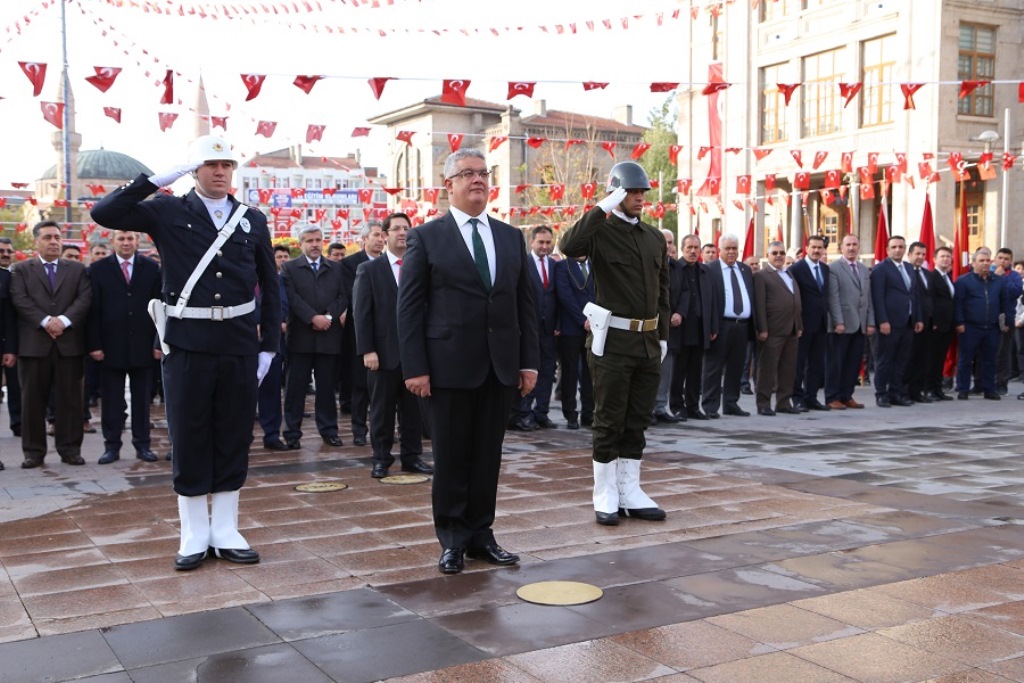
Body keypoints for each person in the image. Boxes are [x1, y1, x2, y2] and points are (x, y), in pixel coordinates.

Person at [91, 134, 281, 571]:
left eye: (226, 165)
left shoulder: (252, 219)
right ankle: (194, 532)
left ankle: (227, 528)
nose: (220, 172)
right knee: (190, 432)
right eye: (210, 164)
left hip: (237, 342)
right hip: (187, 341)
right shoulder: (167, 210)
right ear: (194, 170)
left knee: (234, 433)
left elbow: (270, 286)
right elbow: (105, 212)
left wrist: (268, 345)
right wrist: (159, 179)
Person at [398, 148, 538, 574]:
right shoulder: (426, 237)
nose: (478, 180)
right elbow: (409, 308)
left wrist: (529, 362)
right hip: (447, 367)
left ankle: (482, 534)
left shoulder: (511, 237)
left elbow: (526, 305)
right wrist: (415, 367)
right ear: (449, 185)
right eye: (467, 174)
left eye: (483, 173)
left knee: (487, 456)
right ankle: (453, 539)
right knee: (452, 456)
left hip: (499, 368)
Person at [559, 160, 669, 527]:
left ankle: (630, 490)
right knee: (608, 420)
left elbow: (663, 292)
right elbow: (568, 244)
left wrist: (663, 336)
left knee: (638, 419)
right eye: (631, 192)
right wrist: (602, 207)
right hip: (613, 342)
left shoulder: (654, 237)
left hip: (648, 342)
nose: (639, 198)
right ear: (617, 193)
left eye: (641, 192)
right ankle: (604, 494)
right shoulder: (601, 233)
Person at [353, 212, 432, 478]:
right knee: (381, 411)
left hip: (414, 356)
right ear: (384, 235)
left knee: (413, 412)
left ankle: (412, 457)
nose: (402, 233)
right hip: (382, 355)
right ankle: (381, 459)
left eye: (406, 228)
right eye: (396, 228)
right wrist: (367, 350)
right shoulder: (370, 269)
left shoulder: (421, 267)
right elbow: (361, 313)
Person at [10, 221, 92, 468]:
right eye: (47, 237)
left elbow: (84, 297)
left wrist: (64, 321)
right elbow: (20, 299)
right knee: (32, 401)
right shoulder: (21, 269)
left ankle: (70, 449)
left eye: (57, 237)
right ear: (36, 241)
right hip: (34, 346)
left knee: (71, 401)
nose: (54, 242)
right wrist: (46, 321)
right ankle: (33, 453)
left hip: (69, 345)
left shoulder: (77, 269)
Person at [85, 230, 162, 464]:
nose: (126, 243)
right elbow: (93, 311)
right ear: (113, 242)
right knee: (111, 401)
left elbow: (159, 307)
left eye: (130, 238)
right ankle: (112, 446)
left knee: (142, 401)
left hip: (143, 346)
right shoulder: (98, 270)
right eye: (121, 238)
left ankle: (143, 445)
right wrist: (95, 344)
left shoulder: (151, 268)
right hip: (110, 347)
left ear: (137, 241)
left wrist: (158, 343)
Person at [281, 225, 348, 449]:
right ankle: (292, 433)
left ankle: (329, 430)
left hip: (329, 336)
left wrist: (328, 316)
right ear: (301, 245)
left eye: (318, 240)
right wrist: (312, 318)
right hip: (300, 337)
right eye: (309, 240)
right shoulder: (290, 268)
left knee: (327, 388)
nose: (315, 244)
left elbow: (342, 297)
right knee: (295, 388)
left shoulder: (336, 269)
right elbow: (292, 298)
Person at [340, 221, 385, 445]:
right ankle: (359, 429)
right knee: (360, 384)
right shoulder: (350, 264)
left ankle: (384, 430)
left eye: (381, 235)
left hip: (387, 332)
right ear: (364, 239)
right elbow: (351, 295)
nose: (380, 239)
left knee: (385, 386)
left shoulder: (392, 263)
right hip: (360, 331)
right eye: (375, 235)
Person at [701, 234, 754, 419]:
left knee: (737, 366)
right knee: (713, 366)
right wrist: (709, 328)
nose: (731, 252)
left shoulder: (745, 269)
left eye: (734, 248)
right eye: (728, 248)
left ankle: (731, 403)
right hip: (720, 325)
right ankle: (710, 405)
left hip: (742, 326)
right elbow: (706, 301)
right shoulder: (710, 269)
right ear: (720, 250)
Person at [666, 234, 718, 419]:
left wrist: (713, 326)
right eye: (689, 248)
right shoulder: (674, 268)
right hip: (680, 326)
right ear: (682, 249)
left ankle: (693, 406)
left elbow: (712, 301)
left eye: (696, 248)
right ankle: (676, 405)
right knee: (678, 369)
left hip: (700, 326)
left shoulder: (705, 271)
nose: (693, 251)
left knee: (696, 370)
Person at [954, 247, 1014, 400]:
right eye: (981, 261)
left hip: (992, 327)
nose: (985, 264)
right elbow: (958, 304)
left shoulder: (999, 281)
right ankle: (963, 389)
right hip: (970, 327)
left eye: (988, 261)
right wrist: (959, 322)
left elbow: (1005, 302)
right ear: (973, 263)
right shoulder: (963, 281)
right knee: (966, 360)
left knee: (990, 360)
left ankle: (989, 389)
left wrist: (1007, 320)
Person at [870, 235, 922, 407]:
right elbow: (877, 297)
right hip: (889, 324)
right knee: (884, 360)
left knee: (901, 361)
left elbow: (914, 294)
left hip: (907, 322)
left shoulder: (909, 268)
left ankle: (895, 393)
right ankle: (881, 394)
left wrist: (918, 317)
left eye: (900, 247)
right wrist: (882, 320)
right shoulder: (880, 269)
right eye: (894, 247)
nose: (897, 250)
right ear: (887, 250)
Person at [515, 225, 558, 430]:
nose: (544, 246)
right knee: (529, 369)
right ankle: (524, 413)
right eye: (541, 242)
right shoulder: (522, 264)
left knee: (548, 371)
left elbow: (558, 298)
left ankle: (542, 412)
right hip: (528, 329)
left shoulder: (556, 266)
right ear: (531, 242)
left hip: (550, 328)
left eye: (548, 242)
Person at [825, 234, 874, 409]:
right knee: (836, 363)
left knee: (853, 363)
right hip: (841, 324)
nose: (851, 248)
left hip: (859, 324)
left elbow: (867, 298)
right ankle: (832, 397)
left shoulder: (863, 268)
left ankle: (847, 395)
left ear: (859, 247)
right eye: (848, 245)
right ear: (841, 248)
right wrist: (838, 321)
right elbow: (833, 297)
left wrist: (870, 322)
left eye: (854, 244)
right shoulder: (834, 268)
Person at [753, 241, 802, 416]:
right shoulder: (762, 276)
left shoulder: (788, 274)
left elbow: (795, 301)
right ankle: (763, 403)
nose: (779, 256)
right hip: (772, 330)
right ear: (768, 256)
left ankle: (784, 402)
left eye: (782, 252)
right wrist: (762, 329)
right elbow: (759, 304)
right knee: (767, 369)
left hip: (791, 329)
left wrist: (799, 325)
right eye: (775, 253)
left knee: (788, 369)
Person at [788, 235, 831, 411]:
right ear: (806, 248)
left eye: (820, 248)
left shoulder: (826, 269)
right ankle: (797, 398)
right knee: (799, 363)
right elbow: (794, 298)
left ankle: (811, 397)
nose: (816, 251)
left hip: (821, 324)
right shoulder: (797, 269)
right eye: (813, 247)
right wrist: (796, 324)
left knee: (816, 363)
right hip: (803, 324)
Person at [553, 254, 595, 430]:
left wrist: (594, 319)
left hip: (594, 327)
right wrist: (582, 320)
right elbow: (565, 296)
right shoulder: (563, 267)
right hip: (571, 327)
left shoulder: (596, 266)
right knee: (569, 373)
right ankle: (570, 414)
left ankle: (588, 414)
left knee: (590, 373)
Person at [257, 244, 291, 450]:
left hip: (271, 341)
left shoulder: (275, 278)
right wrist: (252, 322)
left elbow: (282, 304)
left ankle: (271, 434)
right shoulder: (236, 274)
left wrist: (268, 323)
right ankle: (241, 436)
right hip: (242, 339)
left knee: (271, 390)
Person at [654, 230, 684, 424]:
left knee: (666, 369)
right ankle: (645, 410)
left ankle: (660, 407)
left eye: (671, 242)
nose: (668, 246)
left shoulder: (677, 268)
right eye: (664, 242)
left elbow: (685, 292)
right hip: (650, 323)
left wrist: (679, 312)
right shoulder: (647, 263)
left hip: (670, 325)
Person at [904, 241, 935, 403]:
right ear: (909, 255)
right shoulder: (905, 272)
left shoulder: (927, 273)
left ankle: (917, 391)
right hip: (912, 322)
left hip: (927, 323)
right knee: (909, 358)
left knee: (923, 359)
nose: (920, 257)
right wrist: (917, 318)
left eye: (923, 254)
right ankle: (904, 392)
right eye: (917, 254)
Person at [925, 246, 956, 401]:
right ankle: (930, 389)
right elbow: (930, 301)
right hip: (936, 326)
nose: (945, 259)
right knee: (932, 359)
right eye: (942, 256)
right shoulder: (932, 277)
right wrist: (934, 321)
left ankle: (938, 389)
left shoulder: (948, 277)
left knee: (940, 359)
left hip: (947, 325)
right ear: (934, 259)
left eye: (948, 256)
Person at [0, 237, 21, 437]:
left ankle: (19, 424)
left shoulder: (15, 276)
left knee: (17, 387)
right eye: (1, 251)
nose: (5, 255)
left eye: (8, 251)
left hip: (13, 343)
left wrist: (11, 347)